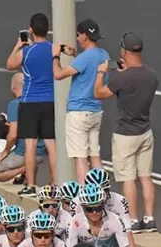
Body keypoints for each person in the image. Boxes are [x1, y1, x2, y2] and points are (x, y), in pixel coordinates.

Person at [93, 32, 159, 232]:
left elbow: (99, 93)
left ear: (125, 51)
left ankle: (133, 220)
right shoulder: (151, 75)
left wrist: (101, 73)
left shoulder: (122, 79)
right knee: (146, 176)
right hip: (145, 131)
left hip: (125, 134)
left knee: (128, 178)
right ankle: (149, 218)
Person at [5, 13, 57, 194]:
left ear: (31, 30)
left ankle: (32, 185)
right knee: (51, 145)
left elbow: (10, 64)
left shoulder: (27, 52)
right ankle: (56, 184)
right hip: (50, 101)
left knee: (30, 144)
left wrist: (18, 45)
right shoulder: (53, 49)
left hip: (30, 101)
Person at [52, 20, 109, 182]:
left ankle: (85, 196)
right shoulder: (103, 55)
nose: (77, 38)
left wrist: (56, 55)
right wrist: (75, 55)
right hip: (95, 111)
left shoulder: (85, 58)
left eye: (78, 35)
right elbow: (89, 69)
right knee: (95, 156)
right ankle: (102, 190)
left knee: (80, 158)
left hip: (78, 112)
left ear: (84, 35)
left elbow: (58, 74)